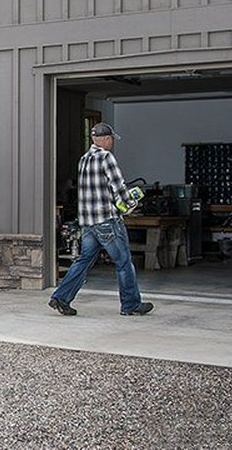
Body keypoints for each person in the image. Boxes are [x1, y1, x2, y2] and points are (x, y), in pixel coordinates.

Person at [49, 122, 154, 317]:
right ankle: (131, 305)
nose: (112, 142)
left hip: (88, 222)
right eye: (112, 138)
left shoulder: (84, 159)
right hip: (107, 220)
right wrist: (131, 204)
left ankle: (61, 297)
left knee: (84, 260)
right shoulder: (107, 158)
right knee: (123, 262)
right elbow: (118, 188)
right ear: (106, 139)